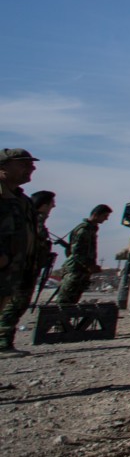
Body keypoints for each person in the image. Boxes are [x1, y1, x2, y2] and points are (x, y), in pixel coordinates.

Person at [0, 148, 40, 354]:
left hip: (11, 271)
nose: (31, 168)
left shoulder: (21, 200)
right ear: (3, 166)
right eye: (24, 164)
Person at [53, 205, 113, 308]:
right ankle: (59, 323)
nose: (106, 219)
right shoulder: (84, 230)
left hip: (80, 270)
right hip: (75, 270)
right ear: (95, 215)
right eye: (104, 216)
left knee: (71, 302)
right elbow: (77, 252)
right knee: (65, 302)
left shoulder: (90, 229)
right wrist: (89, 266)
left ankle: (63, 323)